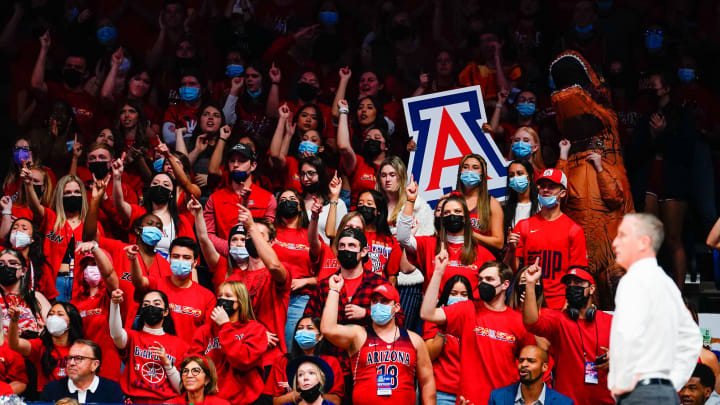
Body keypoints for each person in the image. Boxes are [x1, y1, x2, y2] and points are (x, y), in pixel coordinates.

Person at [609, 213, 702, 402]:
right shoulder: (666, 283)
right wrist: (671, 382)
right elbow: (692, 337)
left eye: (622, 235)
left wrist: (624, 382)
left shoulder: (633, 280)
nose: (614, 243)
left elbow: (628, 335)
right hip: (662, 393)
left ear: (643, 243)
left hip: (641, 393)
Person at [420, 255, 536, 405]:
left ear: (505, 284)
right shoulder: (468, 309)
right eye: (480, 279)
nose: (483, 284)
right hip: (468, 401)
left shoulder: (519, 321)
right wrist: (438, 273)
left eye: (489, 279)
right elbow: (427, 313)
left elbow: (531, 365)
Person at [321, 281, 435, 404]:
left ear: (396, 307)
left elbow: (427, 381)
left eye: (384, 301)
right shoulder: (359, 335)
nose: (378, 305)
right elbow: (328, 329)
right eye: (375, 301)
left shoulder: (414, 340)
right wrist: (334, 290)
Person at [523, 262, 614, 404]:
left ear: (591, 289)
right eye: (569, 284)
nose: (572, 287)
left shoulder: (611, 321)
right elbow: (531, 323)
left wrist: (616, 357)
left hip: (603, 400)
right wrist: (530, 283)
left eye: (578, 283)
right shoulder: (558, 320)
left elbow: (634, 353)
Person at [505, 168, 588, 309]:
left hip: (558, 303)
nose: (545, 190)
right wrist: (512, 250)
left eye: (552, 186)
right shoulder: (523, 225)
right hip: (528, 299)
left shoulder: (574, 230)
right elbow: (512, 271)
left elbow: (578, 273)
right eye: (542, 186)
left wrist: (568, 304)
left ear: (563, 193)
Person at [188, 281, 269, 405]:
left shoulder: (255, 329)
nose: (222, 300)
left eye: (228, 296)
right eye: (220, 296)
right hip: (211, 399)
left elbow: (242, 360)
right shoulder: (205, 331)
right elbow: (193, 364)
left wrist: (225, 326)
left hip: (245, 400)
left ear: (240, 302)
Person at [109, 288, 187, 403]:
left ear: (165, 311)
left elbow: (182, 388)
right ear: (142, 310)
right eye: (146, 304)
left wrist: (167, 363)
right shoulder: (132, 337)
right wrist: (114, 304)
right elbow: (116, 334)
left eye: (156, 303)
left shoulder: (180, 345)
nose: (151, 307)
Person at [129, 236, 216, 338]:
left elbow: (209, 334)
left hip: (191, 353)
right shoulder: (157, 284)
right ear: (170, 259)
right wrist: (134, 260)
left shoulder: (207, 297)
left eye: (186, 257)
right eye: (176, 256)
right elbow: (139, 282)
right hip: (156, 350)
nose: (180, 260)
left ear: (195, 262)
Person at [204, 142, 276, 256]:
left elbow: (269, 234)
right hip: (223, 261)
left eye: (242, 161)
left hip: (257, 258)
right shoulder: (215, 198)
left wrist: (248, 249)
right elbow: (208, 234)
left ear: (253, 166)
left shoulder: (268, 198)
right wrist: (233, 250)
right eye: (232, 161)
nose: (236, 165)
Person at [264, 316, 344, 405]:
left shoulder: (331, 362)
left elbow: (336, 400)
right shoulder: (282, 361)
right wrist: (301, 394)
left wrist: (310, 393)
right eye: (300, 328)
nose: (303, 332)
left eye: (309, 328)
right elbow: (276, 402)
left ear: (320, 336)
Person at [8, 302, 84, 394]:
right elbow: (14, 344)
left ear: (70, 322)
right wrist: (14, 320)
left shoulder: (82, 348)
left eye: (60, 314)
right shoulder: (40, 345)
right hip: (47, 398)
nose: (54, 318)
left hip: (75, 397)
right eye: (51, 314)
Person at [423, 275, 471, 405]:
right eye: (454, 293)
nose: (459, 298)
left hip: (469, 391)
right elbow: (429, 355)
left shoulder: (475, 319)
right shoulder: (435, 318)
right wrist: (443, 328)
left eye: (464, 294)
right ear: (446, 295)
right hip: (443, 391)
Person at [39, 339, 124, 403]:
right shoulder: (51, 389)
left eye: (78, 358)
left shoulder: (112, 390)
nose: (71, 363)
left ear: (94, 365)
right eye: (69, 358)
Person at [488, 345, 573, 405]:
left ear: (544, 367)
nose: (524, 364)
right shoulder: (498, 397)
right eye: (521, 360)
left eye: (531, 361)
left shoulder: (563, 403)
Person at [454, 154, 504, 251]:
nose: (469, 171)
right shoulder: (448, 199)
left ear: (482, 174)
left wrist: (470, 234)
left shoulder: (492, 204)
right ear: (460, 171)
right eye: (465, 167)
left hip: (482, 260)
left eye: (475, 168)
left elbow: (499, 243)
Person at [503, 160, 540, 230]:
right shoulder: (505, 210)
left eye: (520, 174)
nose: (515, 178)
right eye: (511, 175)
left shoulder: (542, 206)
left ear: (531, 176)